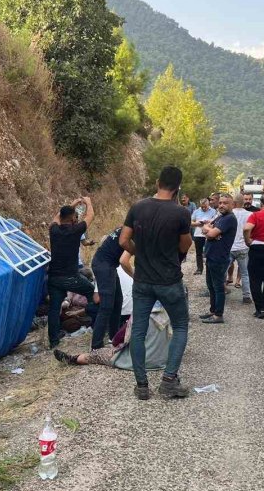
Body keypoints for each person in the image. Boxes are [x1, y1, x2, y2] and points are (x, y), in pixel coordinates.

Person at [119, 166, 193, 400]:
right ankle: (169, 381)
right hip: (169, 280)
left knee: (138, 331)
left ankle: (142, 385)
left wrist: (139, 252)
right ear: (178, 187)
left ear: (158, 182)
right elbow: (185, 245)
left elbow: (123, 240)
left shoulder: (138, 207)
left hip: (142, 280)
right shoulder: (181, 213)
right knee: (180, 326)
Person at [47, 197, 96, 349]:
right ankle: (96, 325)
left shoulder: (53, 230)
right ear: (73, 219)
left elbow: (57, 217)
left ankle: (54, 341)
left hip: (53, 277)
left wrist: (72, 205)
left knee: (54, 308)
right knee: (91, 291)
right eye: (75, 216)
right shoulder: (75, 230)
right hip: (69, 277)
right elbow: (90, 216)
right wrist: (87, 202)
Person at [90, 227, 130, 351]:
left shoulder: (126, 227)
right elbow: (124, 261)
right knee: (106, 306)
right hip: (103, 265)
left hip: (109, 265)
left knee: (118, 301)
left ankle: (114, 337)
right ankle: (96, 345)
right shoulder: (132, 230)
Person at [199, 194, 237, 324]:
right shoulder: (221, 217)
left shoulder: (229, 218)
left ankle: (218, 315)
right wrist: (209, 229)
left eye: (225, 203)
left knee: (218, 287)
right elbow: (207, 229)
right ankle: (213, 311)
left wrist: (209, 230)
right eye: (220, 202)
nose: (221, 205)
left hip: (219, 258)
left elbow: (209, 234)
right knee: (211, 286)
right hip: (211, 257)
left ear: (233, 205)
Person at [230, 194, 252, 305]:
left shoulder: (229, 213)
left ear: (233, 202)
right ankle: (246, 296)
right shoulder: (250, 214)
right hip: (243, 247)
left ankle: (222, 289)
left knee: (223, 270)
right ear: (243, 202)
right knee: (245, 273)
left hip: (229, 247)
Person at [190, 197, 217, 275]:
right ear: (200, 205)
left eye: (205, 206)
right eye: (202, 207)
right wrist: (197, 223)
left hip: (209, 234)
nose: (204, 208)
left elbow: (217, 222)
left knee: (209, 252)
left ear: (208, 204)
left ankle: (209, 268)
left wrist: (209, 222)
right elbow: (190, 222)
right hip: (198, 234)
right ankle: (199, 268)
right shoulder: (196, 211)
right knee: (198, 253)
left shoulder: (213, 211)